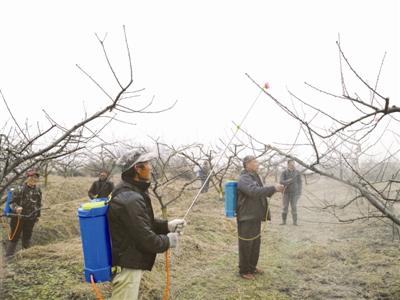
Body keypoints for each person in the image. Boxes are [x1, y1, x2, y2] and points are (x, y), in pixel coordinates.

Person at [107, 150, 186, 300]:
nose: (151, 167)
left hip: (126, 260)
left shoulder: (127, 190)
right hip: (127, 267)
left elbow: (139, 223)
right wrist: (168, 240)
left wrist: (167, 225)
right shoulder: (131, 198)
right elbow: (146, 240)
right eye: (148, 164)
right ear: (138, 168)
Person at [236, 155, 284, 280]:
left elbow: (261, 191)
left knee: (255, 243)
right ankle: (244, 270)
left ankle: (252, 267)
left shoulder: (253, 176)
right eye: (255, 162)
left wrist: (275, 189)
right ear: (247, 164)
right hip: (246, 216)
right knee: (246, 244)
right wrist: (272, 188)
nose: (257, 164)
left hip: (255, 215)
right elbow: (253, 191)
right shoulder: (244, 178)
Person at [5, 170, 42, 257]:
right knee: (15, 236)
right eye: (32, 177)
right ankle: (9, 255)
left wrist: (38, 215)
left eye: (36, 178)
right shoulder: (19, 189)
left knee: (27, 236)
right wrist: (16, 208)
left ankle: (26, 254)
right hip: (18, 217)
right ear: (27, 178)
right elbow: (11, 202)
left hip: (31, 217)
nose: (34, 180)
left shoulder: (38, 190)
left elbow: (38, 204)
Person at [279, 159, 303, 226]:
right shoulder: (284, 172)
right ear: (288, 164)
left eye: (293, 163)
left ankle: (295, 222)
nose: (292, 164)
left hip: (295, 193)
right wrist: (287, 181)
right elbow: (281, 181)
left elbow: (300, 183)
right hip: (286, 192)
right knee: (285, 207)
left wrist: (300, 193)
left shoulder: (298, 172)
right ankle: (283, 221)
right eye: (291, 163)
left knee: (294, 207)